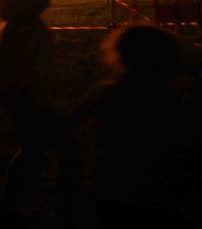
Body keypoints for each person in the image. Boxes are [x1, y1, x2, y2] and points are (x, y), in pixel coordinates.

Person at [78, 26, 192, 227]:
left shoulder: (105, 94)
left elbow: (73, 124)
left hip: (110, 185)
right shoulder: (172, 100)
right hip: (158, 191)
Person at [0, 0, 78, 221]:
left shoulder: (17, 24)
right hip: (28, 99)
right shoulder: (23, 28)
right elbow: (25, 68)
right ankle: (58, 205)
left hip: (23, 97)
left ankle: (12, 203)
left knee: (36, 151)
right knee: (52, 150)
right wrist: (40, 99)